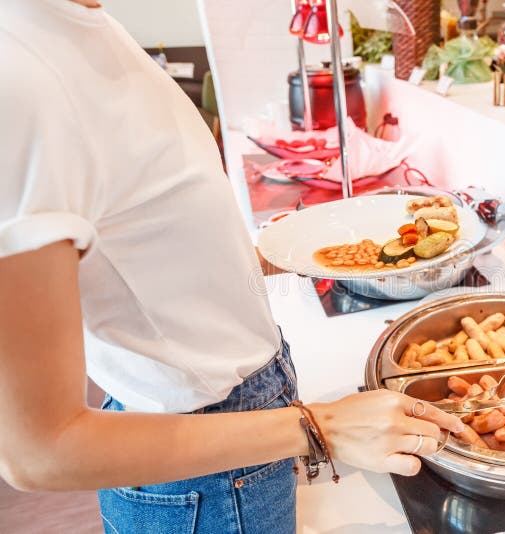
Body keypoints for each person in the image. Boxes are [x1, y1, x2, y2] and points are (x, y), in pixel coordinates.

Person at [0, 1, 464, 533]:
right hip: (202, 479)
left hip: (241, 427)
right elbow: (39, 450)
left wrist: (301, 252)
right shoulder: (18, 72)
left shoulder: (88, 27)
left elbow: (144, 240)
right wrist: (317, 427)